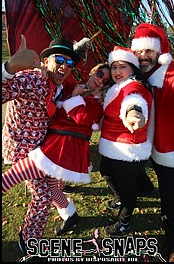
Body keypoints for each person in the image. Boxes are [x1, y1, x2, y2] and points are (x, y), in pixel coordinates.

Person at [2, 63, 111, 252]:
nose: (100, 80)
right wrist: (43, 69)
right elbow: (59, 74)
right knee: (51, 188)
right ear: (93, 70)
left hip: (61, 150)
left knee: (9, 178)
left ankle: (30, 238)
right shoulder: (73, 86)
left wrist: (75, 98)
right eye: (100, 73)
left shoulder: (97, 102)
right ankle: (70, 214)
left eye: (106, 80)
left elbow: (83, 119)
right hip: (49, 144)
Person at [2, 35, 82, 255]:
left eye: (70, 63)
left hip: (45, 151)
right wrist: (8, 68)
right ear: (46, 61)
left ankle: (70, 214)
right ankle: (29, 241)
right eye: (59, 60)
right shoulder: (33, 79)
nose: (64, 67)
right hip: (23, 150)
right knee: (42, 195)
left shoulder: (61, 88)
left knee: (53, 186)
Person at [130, 23, 174, 262]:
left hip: (168, 146)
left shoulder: (173, 74)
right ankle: (143, 186)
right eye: (139, 51)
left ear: (159, 52)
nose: (143, 56)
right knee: (117, 170)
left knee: (171, 194)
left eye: (148, 51)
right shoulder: (135, 72)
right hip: (142, 143)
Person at [98, 46, 153, 236]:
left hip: (128, 148)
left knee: (128, 188)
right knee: (105, 171)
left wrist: (134, 112)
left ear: (133, 69)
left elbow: (133, 100)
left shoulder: (134, 86)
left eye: (122, 66)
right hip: (112, 145)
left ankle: (124, 222)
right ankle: (123, 196)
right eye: (114, 67)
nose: (117, 71)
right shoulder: (115, 87)